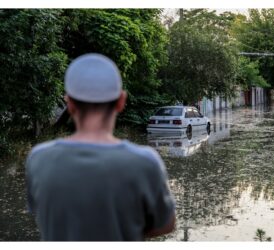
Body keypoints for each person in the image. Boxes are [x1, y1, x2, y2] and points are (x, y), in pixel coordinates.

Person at [25, 53, 176, 241]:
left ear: (70, 104)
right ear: (121, 101)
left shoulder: (39, 159)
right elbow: (166, 224)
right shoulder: (145, 162)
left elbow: (41, 213)